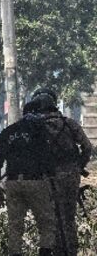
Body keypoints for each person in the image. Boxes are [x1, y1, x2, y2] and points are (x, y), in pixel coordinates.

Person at [0, 99, 59, 256]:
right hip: (36, 182)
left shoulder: (8, 131)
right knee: (47, 224)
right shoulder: (41, 132)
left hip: (13, 183)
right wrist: (53, 185)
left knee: (15, 227)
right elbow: (49, 161)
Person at [33, 87, 93, 255]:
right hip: (71, 176)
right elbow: (88, 148)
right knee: (69, 218)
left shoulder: (36, 127)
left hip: (48, 177)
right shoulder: (69, 123)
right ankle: (70, 251)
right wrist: (78, 167)